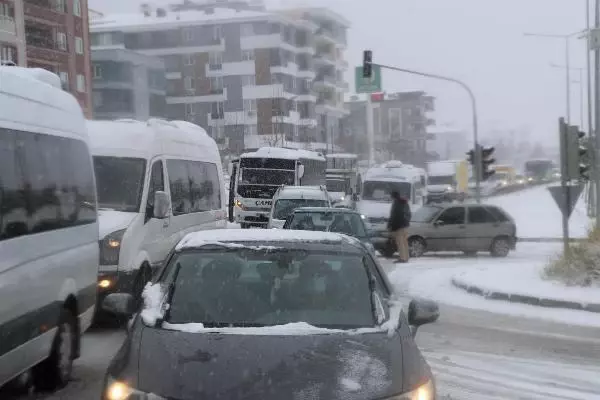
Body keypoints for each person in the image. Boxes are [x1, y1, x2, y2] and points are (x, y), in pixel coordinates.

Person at [387, 191, 411, 263]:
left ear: (393, 196)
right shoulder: (404, 202)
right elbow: (409, 214)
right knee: (405, 242)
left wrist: (390, 225)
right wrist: (406, 221)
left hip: (398, 226)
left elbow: (394, 216)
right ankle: (406, 257)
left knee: (400, 243)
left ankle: (402, 258)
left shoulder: (396, 203)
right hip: (405, 225)